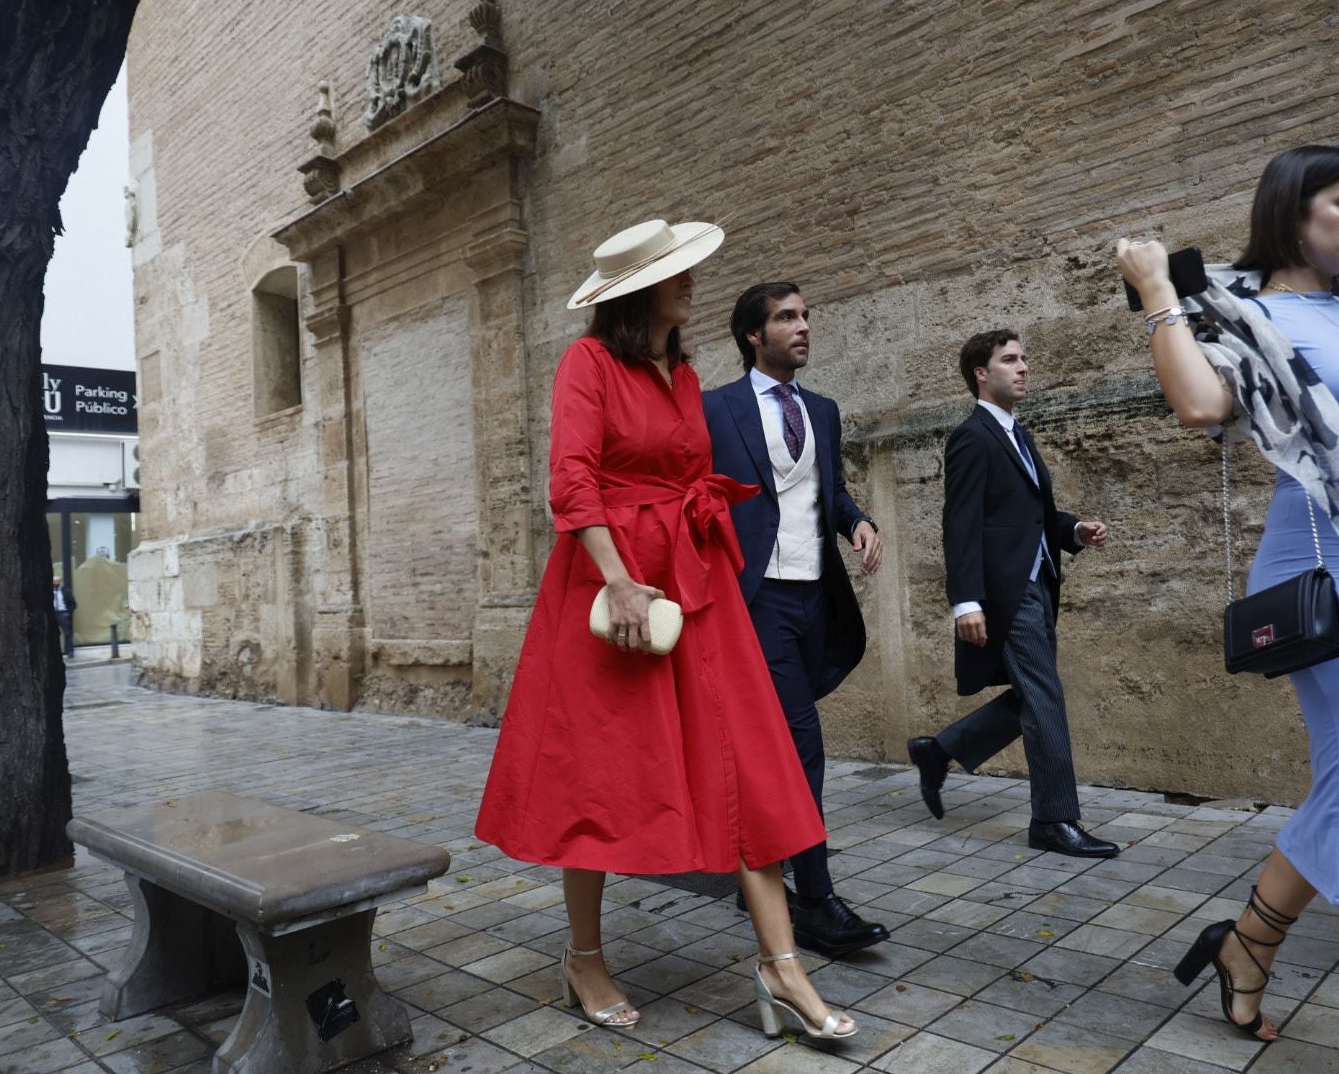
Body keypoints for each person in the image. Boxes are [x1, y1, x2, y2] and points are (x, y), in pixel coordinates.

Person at [1115, 145, 1339, 1073]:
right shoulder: (1251, 315)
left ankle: (1246, 946)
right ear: (1293, 209)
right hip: (1331, 569)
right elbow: (1199, 404)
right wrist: (1158, 289)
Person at [474, 219, 857, 1041]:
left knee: (748, 759)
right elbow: (571, 480)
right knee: (598, 773)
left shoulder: (683, 374)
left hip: (694, 582)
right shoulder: (588, 364)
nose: (693, 283)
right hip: (614, 587)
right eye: (678, 273)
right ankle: (583, 955)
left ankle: (781, 966)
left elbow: (690, 475)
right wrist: (616, 580)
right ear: (637, 292)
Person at [702, 282, 889, 955]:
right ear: (754, 335)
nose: (803, 326)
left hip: (817, 597)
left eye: (805, 315)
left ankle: (754, 857)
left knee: (769, 743)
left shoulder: (824, 410)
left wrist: (859, 522)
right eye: (787, 318)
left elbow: (827, 489)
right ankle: (815, 899)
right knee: (801, 741)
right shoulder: (715, 410)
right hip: (758, 601)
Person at [905, 330, 1116, 858]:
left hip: (1038, 583)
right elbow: (962, 522)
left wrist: (1071, 531)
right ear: (982, 372)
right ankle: (1054, 818)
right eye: (1010, 360)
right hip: (1007, 592)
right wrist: (966, 601)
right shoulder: (972, 436)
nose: (1023, 367)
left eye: (1024, 358)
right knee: (1044, 697)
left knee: (1033, 693)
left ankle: (940, 750)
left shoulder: (1017, 434)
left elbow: (1027, 516)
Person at [52, 574, 76, 657]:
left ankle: (69, 651)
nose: (55, 583)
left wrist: (68, 613)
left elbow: (73, 604)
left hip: (63, 614)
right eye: (54, 581)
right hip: (53, 614)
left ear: (60, 582)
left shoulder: (66, 591)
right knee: (52, 634)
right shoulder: (47, 592)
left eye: (57, 581)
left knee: (67, 633)